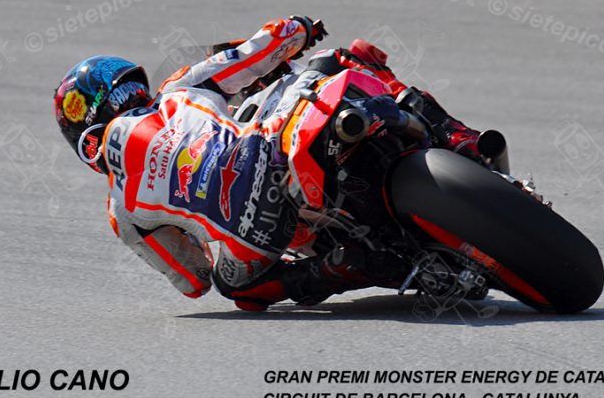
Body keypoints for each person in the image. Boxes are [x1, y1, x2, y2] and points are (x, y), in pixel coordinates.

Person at [54, 16, 490, 311]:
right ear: (132, 85)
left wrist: (193, 219)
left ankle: (341, 268)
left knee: (234, 287)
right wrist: (300, 28)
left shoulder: (120, 212)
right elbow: (260, 49)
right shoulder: (178, 89)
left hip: (257, 234)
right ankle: (456, 136)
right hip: (272, 148)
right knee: (344, 57)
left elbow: (193, 281)